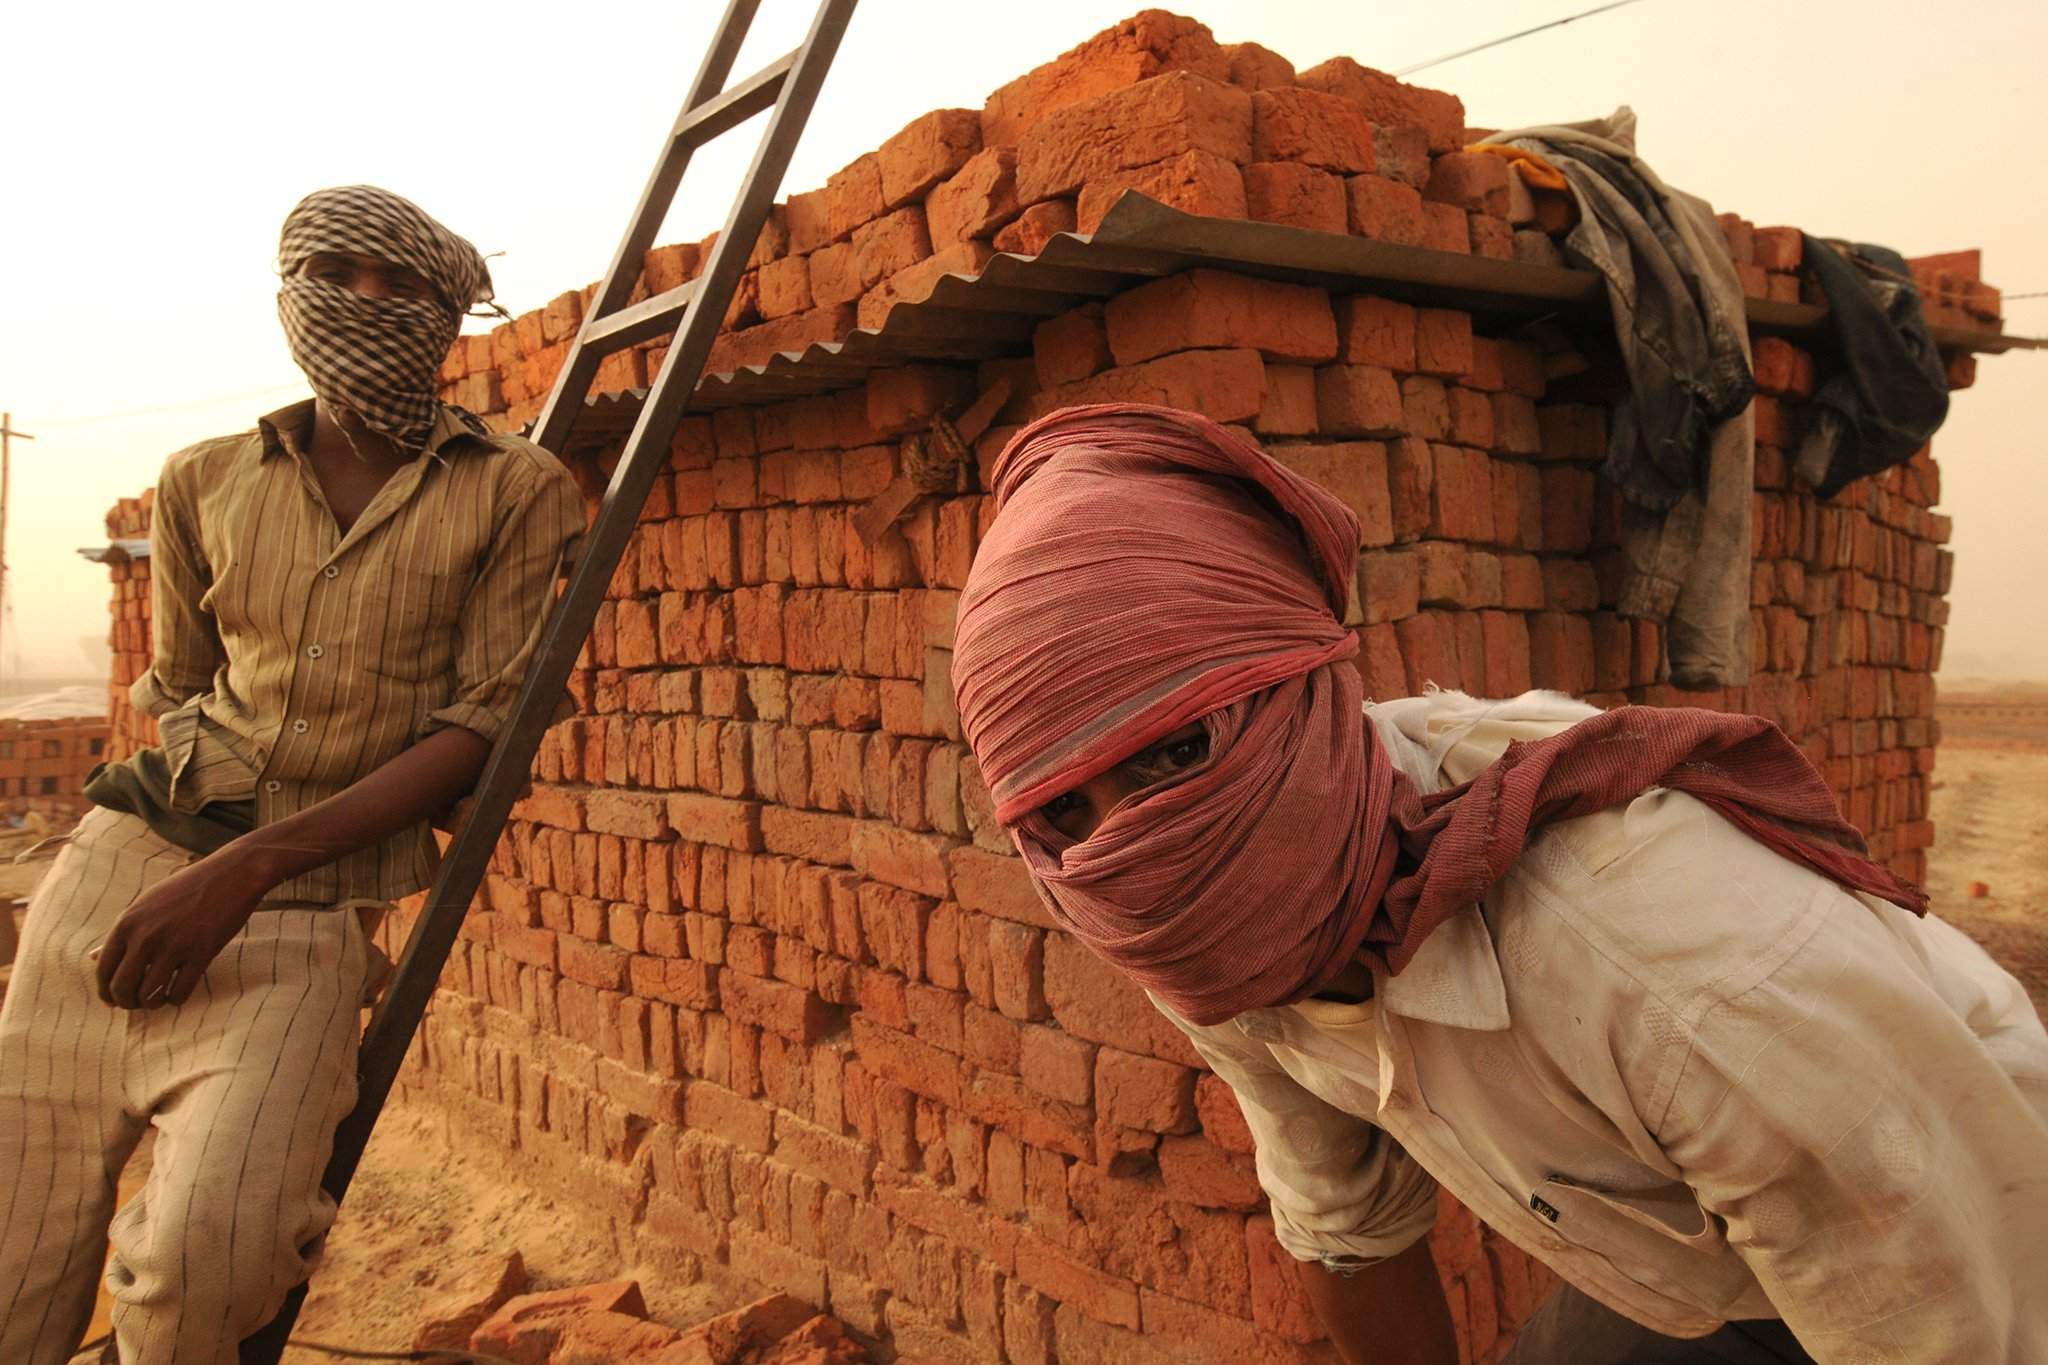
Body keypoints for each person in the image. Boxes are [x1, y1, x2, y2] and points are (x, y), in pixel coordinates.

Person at [950, 402, 2048, 1365]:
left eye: (1174, 754)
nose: (1129, 853)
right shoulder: (1223, 925)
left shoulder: (1673, 972)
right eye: (1062, 814)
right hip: (1701, 1271)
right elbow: (1342, 1223)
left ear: (1307, 697)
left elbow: (1956, 1320)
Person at [0, 186, 585, 1364]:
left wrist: (252, 865)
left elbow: (484, 726)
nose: (365, 301)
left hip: (303, 913)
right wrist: (184, 844)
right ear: (290, 296)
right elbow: (175, 685)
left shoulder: (516, 490)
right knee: (14, 1261)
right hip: (118, 877)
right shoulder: (201, 480)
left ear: (449, 311)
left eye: (400, 283)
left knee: (205, 1267)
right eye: (336, 275)